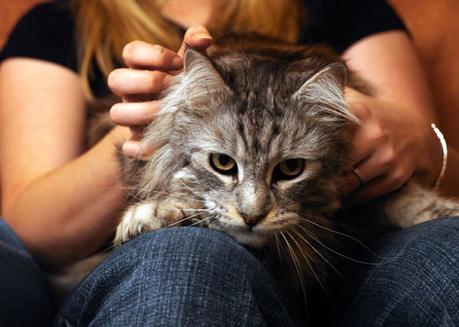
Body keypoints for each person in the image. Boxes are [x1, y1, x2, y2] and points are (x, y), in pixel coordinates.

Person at [0, 0, 458, 325]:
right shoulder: (58, 23)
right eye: (222, 160)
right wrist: (156, 125)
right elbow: (29, 228)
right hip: (169, 262)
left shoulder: (342, 6)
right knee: (185, 260)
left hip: (353, 255)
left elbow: (441, 177)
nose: (252, 206)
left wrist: (419, 138)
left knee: (448, 251)